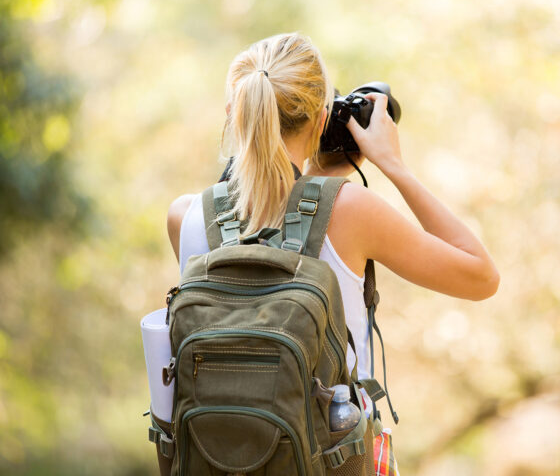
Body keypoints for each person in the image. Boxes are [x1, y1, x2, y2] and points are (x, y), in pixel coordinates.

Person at [164, 32, 500, 472]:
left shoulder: (186, 216)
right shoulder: (351, 209)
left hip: (219, 460)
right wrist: (392, 164)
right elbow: (480, 276)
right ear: (323, 121)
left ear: (235, 113)